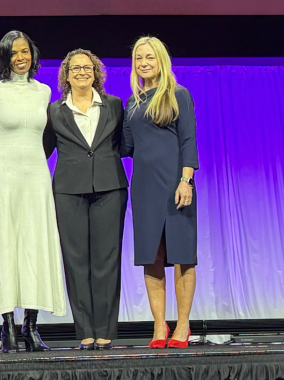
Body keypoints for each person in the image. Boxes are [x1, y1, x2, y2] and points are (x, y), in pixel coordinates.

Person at [0, 31, 66, 353]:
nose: (21, 57)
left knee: (36, 247)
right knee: (6, 247)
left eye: (26, 51)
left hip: (36, 178)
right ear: (5, 57)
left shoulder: (44, 92)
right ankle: (7, 327)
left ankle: (31, 325)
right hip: (5, 178)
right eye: (14, 53)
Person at [44, 49, 128, 350]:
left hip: (110, 187)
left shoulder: (114, 106)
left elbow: (124, 144)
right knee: (76, 261)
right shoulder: (54, 111)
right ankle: (85, 331)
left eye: (88, 67)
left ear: (96, 73)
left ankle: (105, 331)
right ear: (66, 75)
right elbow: (42, 150)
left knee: (106, 261)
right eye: (75, 68)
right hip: (68, 191)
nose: (82, 72)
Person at [122, 36, 198, 349]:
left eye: (150, 58)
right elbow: (125, 147)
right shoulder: (132, 102)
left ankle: (182, 325)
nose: (144, 63)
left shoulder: (178, 94)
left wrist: (186, 180)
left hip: (176, 186)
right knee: (151, 258)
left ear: (161, 60)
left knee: (182, 256)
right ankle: (158, 326)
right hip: (144, 188)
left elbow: (188, 141)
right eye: (139, 58)